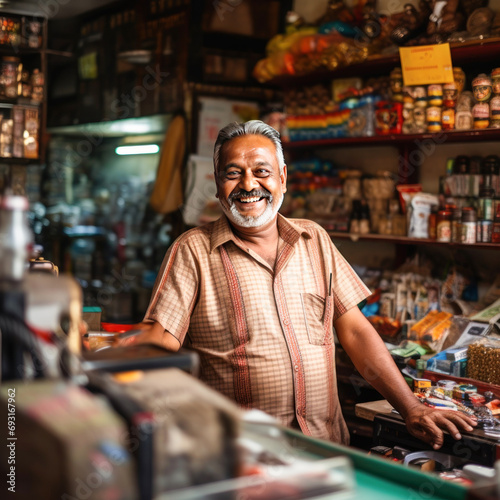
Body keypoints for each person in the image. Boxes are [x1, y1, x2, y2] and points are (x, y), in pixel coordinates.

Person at [118, 120, 476, 448]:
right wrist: (106, 353)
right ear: (216, 181)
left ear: (283, 178)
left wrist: (411, 408)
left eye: (262, 171)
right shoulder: (192, 250)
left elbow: (354, 332)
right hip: (242, 453)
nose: (248, 185)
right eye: (233, 173)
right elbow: (161, 339)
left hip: (326, 446)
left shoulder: (314, 239)